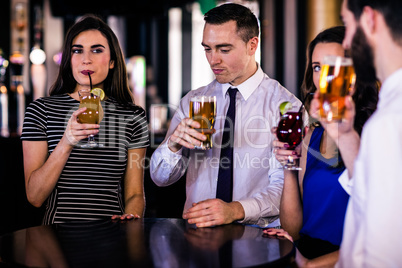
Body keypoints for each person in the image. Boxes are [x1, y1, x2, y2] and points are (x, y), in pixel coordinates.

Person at [150, 3, 301, 228]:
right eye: (207, 49)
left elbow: (286, 189)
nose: (213, 60)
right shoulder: (193, 101)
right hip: (198, 237)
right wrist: (173, 145)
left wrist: (235, 210)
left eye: (224, 49)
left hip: (258, 241)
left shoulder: (285, 106)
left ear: (252, 45)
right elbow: (161, 179)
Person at [264, 26, 378, 267]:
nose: (323, 76)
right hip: (305, 254)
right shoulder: (312, 135)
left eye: (334, 66)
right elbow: (293, 229)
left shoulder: (377, 134)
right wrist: (288, 166)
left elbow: (382, 234)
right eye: (317, 67)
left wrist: (309, 265)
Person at [21, 15, 149, 224]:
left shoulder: (133, 116)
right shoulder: (41, 110)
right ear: (69, 59)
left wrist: (131, 221)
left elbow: (134, 193)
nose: (85, 59)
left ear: (112, 62)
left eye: (97, 50)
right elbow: (35, 197)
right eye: (77, 50)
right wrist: (66, 142)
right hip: (58, 238)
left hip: (112, 237)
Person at [308, 0, 402, 266]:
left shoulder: (388, 121)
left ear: (369, 20)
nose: (347, 41)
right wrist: (344, 135)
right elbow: (369, 194)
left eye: (348, 24)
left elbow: (382, 253)